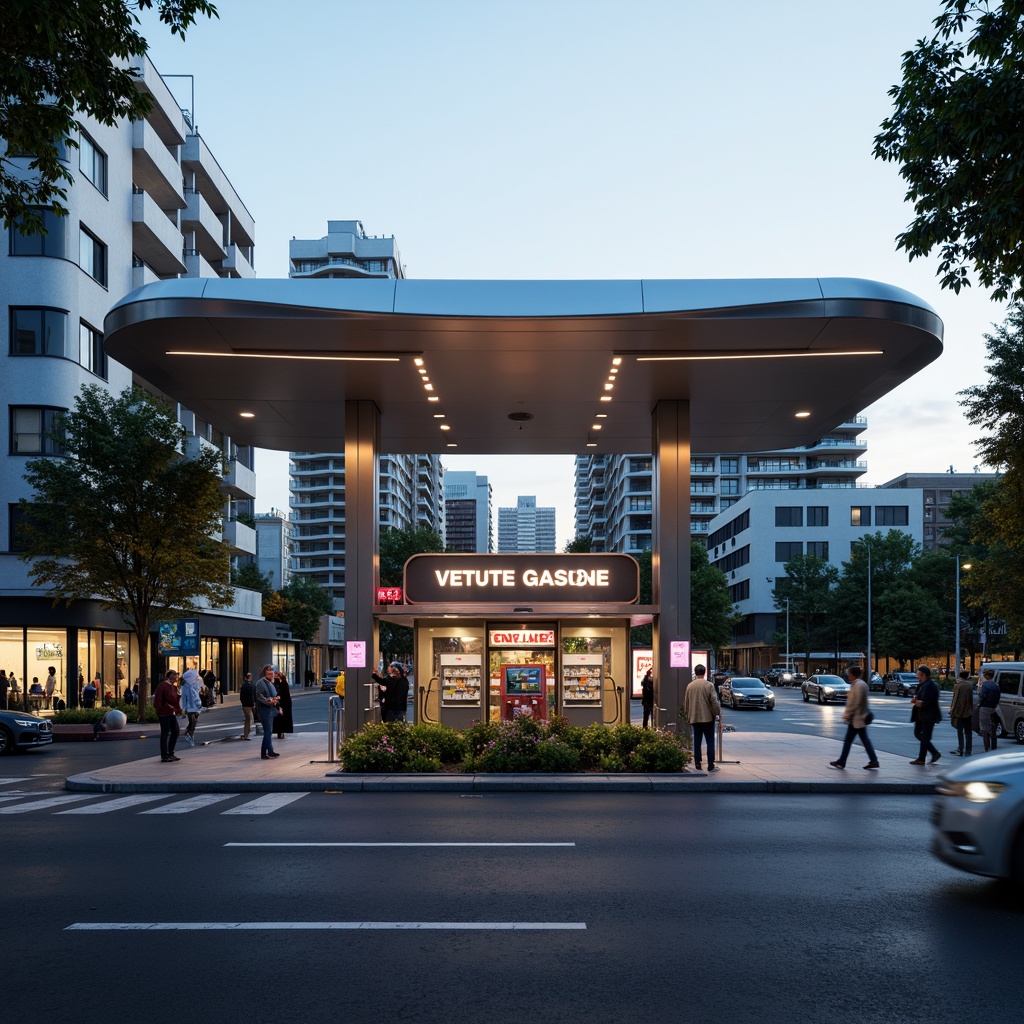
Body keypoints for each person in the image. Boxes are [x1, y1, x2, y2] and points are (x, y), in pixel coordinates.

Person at [829, 666, 879, 770]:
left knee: (853, 740)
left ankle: (843, 761)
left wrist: (848, 714)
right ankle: (872, 760)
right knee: (859, 740)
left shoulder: (859, 685)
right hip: (856, 718)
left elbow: (857, 703)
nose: (848, 675)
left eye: (849, 673)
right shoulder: (857, 684)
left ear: (852, 674)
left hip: (857, 718)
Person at [682, 664, 721, 772]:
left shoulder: (690, 686)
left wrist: (687, 714)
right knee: (709, 741)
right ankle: (710, 764)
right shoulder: (709, 685)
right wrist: (717, 712)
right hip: (708, 717)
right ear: (704, 672)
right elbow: (714, 701)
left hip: (694, 717)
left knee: (697, 741)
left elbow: (686, 702)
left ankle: (697, 763)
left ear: (695, 672)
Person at [909, 665, 941, 765]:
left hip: (928, 715)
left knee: (923, 736)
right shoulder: (923, 684)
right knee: (920, 734)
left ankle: (930, 754)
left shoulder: (930, 686)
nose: (917, 676)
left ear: (923, 675)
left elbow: (928, 701)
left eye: (918, 674)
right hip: (921, 714)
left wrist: (918, 702)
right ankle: (924, 757)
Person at [153, 669, 182, 763]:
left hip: (171, 712)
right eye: (173, 675)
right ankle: (164, 755)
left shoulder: (173, 687)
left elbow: (175, 701)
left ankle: (171, 753)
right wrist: (159, 710)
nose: (175, 677)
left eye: (176, 675)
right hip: (164, 713)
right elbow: (158, 700)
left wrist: (178, 709)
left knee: (176, 731)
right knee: (165, 733)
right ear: (169, 676)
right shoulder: (162, 686)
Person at [254, 664, 282, 760]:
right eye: (269, 674)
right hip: (265, 711)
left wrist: (276, 699)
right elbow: (260, 696)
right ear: (265, 674)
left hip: (270, 710)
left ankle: (268, 751)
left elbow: (272, 694)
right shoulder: (260, 683)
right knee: (267, 732)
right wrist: (269, 700)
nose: (272, 676)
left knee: (268, 732)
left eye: (272, 674)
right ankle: (266, 752)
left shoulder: (270, 683)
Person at [948, 669, 974, 757]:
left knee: (960, 732)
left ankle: (960, 748)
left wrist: (952, 711)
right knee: (968, 732)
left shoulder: (958, 686)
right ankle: (968, 749)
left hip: (959, 712)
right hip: (968, 712)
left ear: (960, 676)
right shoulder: (970, 686)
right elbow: (971, 700)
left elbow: (955, 700)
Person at [978, 667, 1001, 752]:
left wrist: (979, 703)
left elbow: (982, 696)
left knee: (985, 729)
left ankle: (986, 747)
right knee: (993, 727)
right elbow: (998, 697)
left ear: (987, 676)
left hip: (984, 707)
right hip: (993, 708)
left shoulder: (984, 685)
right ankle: (994, 746)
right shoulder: (996, 685)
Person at [179, 668, 203, 747]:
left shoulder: (195, 685)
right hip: (190, 707)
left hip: (196, 705)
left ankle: (190, 733)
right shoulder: (186, 687)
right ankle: (189, 734)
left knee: (194, 721)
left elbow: (197, 695)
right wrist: (184, 708)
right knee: (193, 720)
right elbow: (184, 698)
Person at [273, 671, 293, 740]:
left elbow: (281, 694)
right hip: (283, 703)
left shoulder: (282, 684)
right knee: (281, 718)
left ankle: (281, 732)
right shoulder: (283, 683)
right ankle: (281, 732)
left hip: (283, 704)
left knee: (281, 718)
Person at [239, 671, 256, 740]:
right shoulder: (249, 686)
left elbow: (241, 697)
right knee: (249, 719)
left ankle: (246, 734)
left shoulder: (244, 685)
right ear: (249, 677)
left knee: (248, 719)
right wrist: (253, 704)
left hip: (245, 705)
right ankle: (246, 734)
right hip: (248, 705)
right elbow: (251, 696)